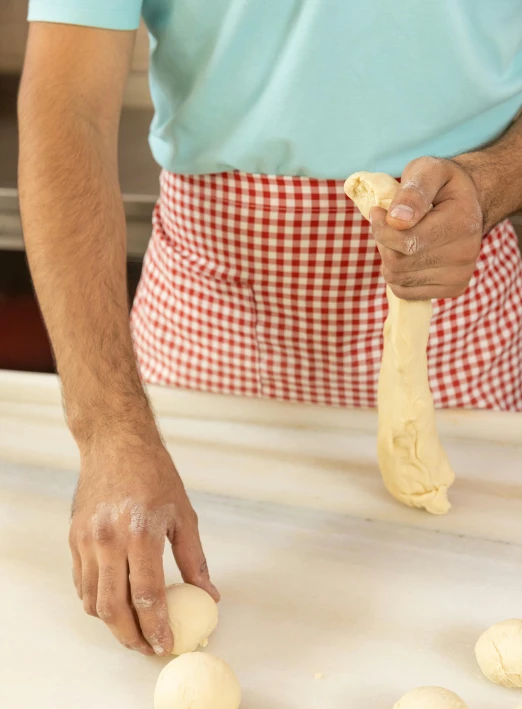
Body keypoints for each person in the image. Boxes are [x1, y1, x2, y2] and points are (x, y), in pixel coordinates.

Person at [18, 1, 522, 656]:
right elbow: (66, 110)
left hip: (460, 320)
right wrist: (111, 429)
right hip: (205, 326)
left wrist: (488, 182)